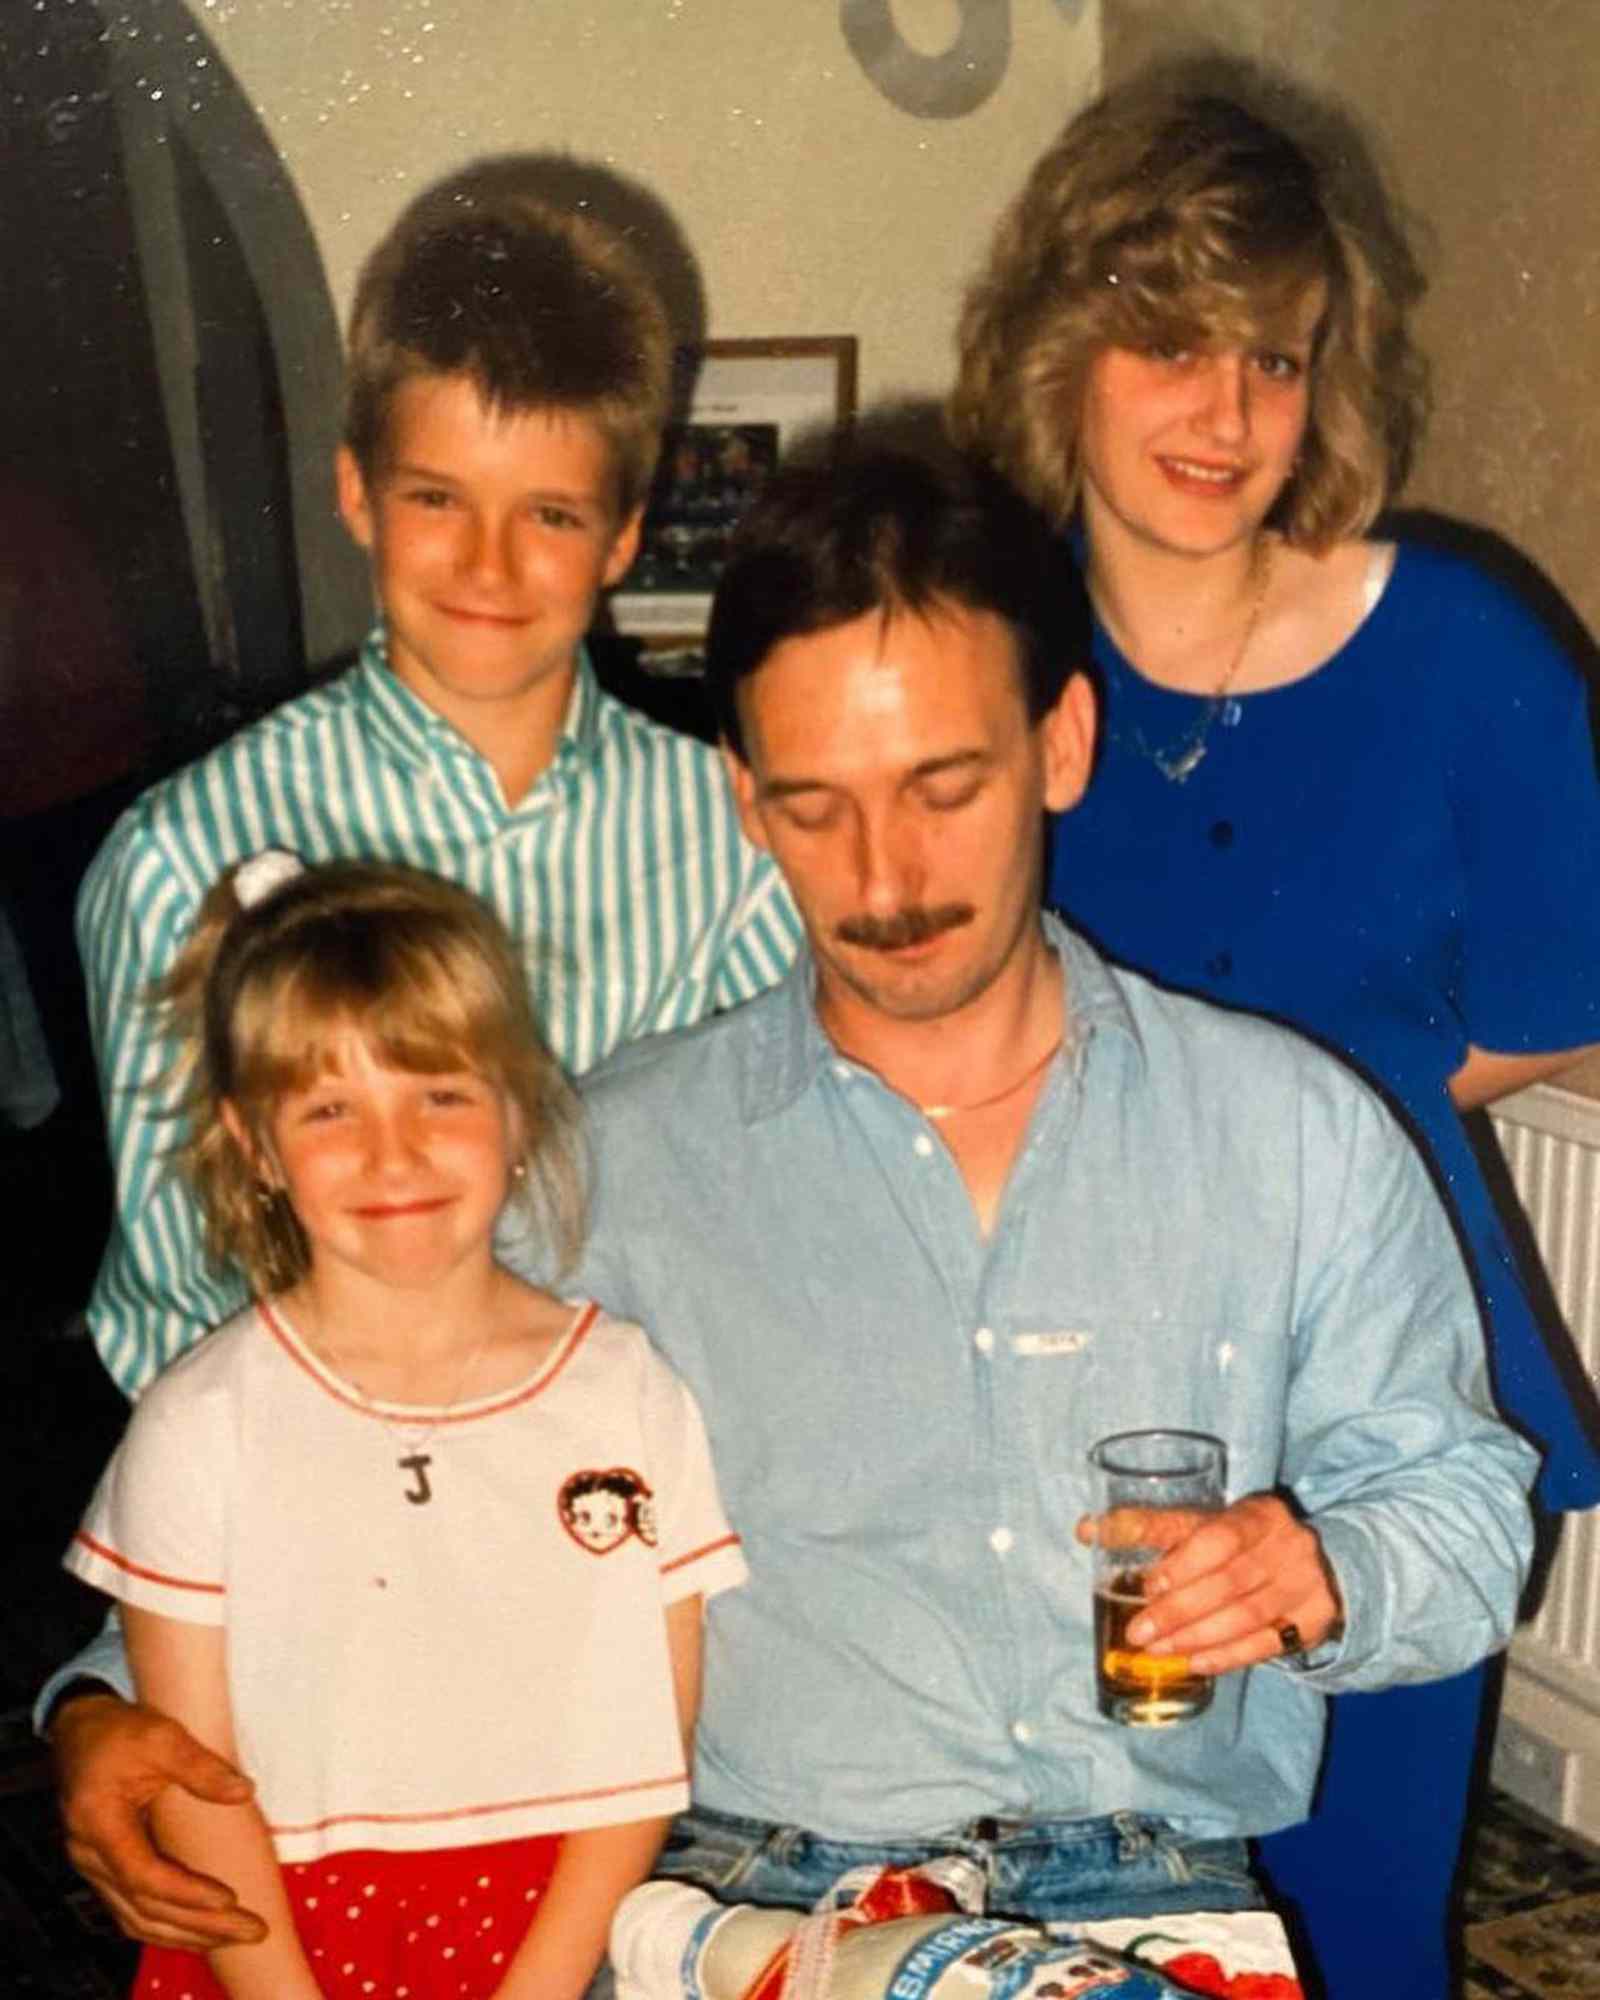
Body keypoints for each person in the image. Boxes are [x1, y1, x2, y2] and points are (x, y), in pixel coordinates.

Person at [48, 449, 1537, 1962]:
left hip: (1158, 1902)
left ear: (1064, 743)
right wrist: (104, 1703)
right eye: (815, 806)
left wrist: (1325, 1568)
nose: (883, 875)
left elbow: (1469, 1508)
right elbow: (332, 1453)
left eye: (944, 788)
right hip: (751, 1907)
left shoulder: (1289, 1132)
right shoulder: (606, 1164)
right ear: (745, 801)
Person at [947, 73, 1600, 1996]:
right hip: (1054, 1388)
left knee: (1351, 1937)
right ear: (1066, 347)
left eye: (1277, 360)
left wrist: (1300, 1141)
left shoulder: (1466, 647)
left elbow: (1554, 1003)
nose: (1227, 417)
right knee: (1064, 1928)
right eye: (1170, 347)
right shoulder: (983, 644)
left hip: (1374, 1403)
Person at [74, 162, 800, 1407]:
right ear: (357, 489)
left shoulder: (736, 841)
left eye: (552, 517)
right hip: (308, 1500)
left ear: (626, 535)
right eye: (436, 499)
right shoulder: (179, 855)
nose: (488, 563)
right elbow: (179, 1315)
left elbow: (764, 1222)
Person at [64, 854, 746, 2000]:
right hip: (274, 1945)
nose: (395, 1153)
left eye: (440, 1094)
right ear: (255, 1144)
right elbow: (197, 1776)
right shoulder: (203, 1419)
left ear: (517, 1108)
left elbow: (641, 1752)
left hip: (557, 1941)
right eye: (331, 1108)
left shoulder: (624, 1391)